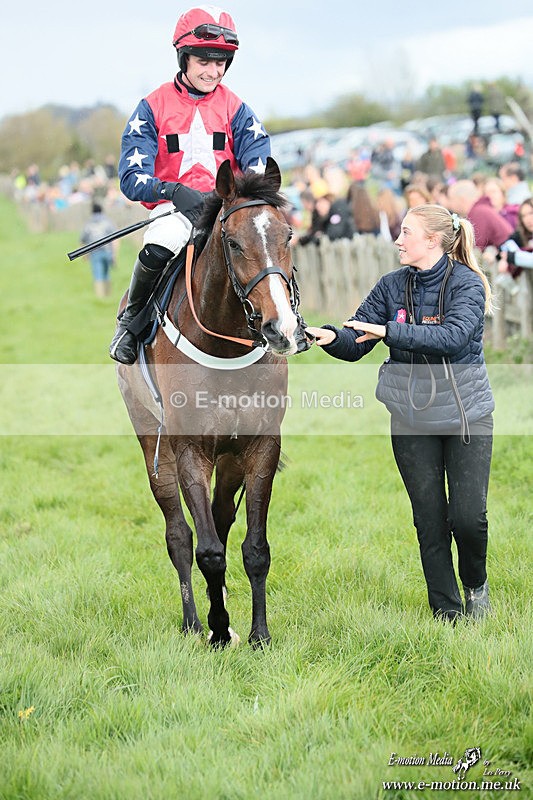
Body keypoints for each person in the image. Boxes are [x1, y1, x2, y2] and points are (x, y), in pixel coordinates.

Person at [306, 204, 494, 622]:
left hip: (467, 416)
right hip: (410, 419)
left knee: (467, 518)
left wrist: (388, 330)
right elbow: (357, 338)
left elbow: (452, 336)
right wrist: (330, 336)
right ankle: (447, 613)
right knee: (429, 521)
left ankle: (476, 584)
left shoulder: (467, 284)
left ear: (432, 240)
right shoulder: (390, 286)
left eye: (406, 232)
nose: (397, 239)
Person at [109, 5, 270, 363]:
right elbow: (131, 178)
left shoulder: (237, 109)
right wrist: (171, 191)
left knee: (267, 244)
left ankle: (288, 322)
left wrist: (231, 197)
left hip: (225, 207)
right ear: (184, 58)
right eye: (204, 62)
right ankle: (131, 323)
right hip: (174, 208)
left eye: (221, 63)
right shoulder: (151, 107)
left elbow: (258, 166)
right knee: (163, 240)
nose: (214, 71)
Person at [446, 179, 513, 252]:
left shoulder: (478, 213)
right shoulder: (480, 209)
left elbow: (474, 247)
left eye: (451, 199)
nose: (449, 204)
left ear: (461, 199)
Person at [80, 201, 117, 298]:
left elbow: (83, 239)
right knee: (106, 274)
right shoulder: (107, 222)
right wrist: (114, 254)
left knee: (98, 275)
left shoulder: (89, 223)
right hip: (107, 251)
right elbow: (115, 239)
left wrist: (84, 255)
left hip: (95, 252)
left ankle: (100, 297)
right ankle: (108, 295)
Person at [497, 197, 533, 293]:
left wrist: (511, 256)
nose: (528, 219)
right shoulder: (522, 235)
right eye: (523, 216)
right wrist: (504, 258)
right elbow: (505, 245)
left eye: (531, 213)